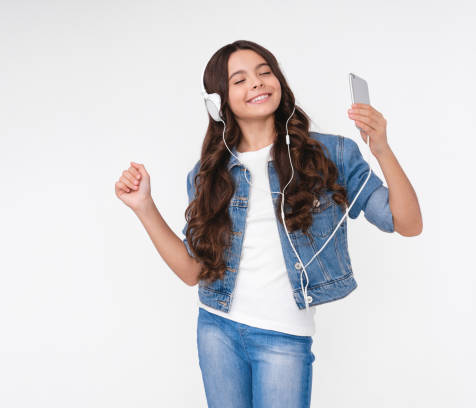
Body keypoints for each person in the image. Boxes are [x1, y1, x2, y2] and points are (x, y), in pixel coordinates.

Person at [114, 40, 422, 408]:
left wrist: (381, 149)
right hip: (217, 329)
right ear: (218, 102)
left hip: (284, 336)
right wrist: (144, 206)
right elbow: (192, 270)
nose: (257, 83)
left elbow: (406, 223)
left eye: (264, 72)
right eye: (239, 80)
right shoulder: (207, 175)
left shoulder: (331, 154)